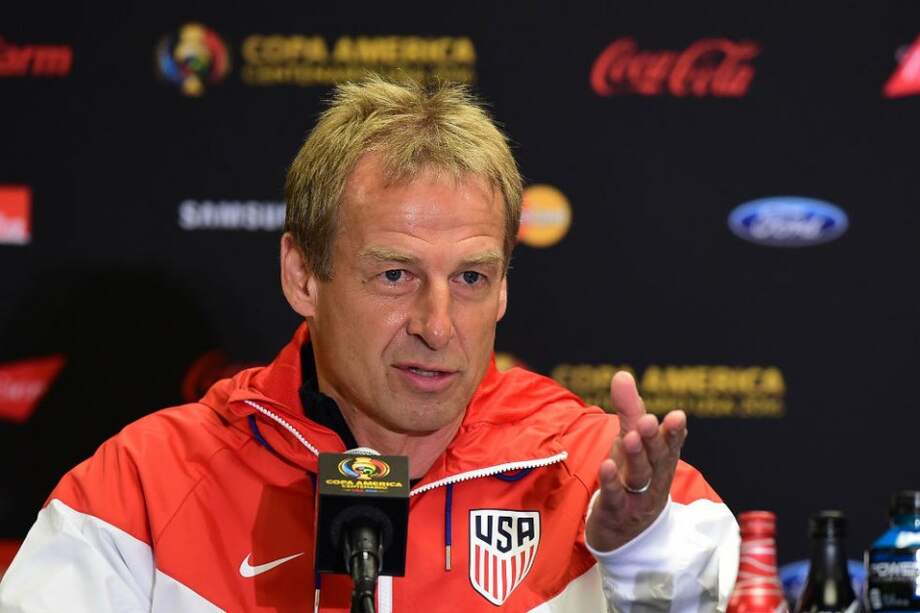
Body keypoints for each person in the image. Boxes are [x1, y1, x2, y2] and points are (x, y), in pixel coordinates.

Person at [0, 76, 738, 612]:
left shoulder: (601, 474)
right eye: (395, 274)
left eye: (473, 277)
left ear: (506, 287)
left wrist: (639, 551)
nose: (437, 323)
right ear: (302, 275)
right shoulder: (146, 484)